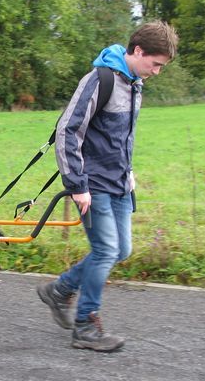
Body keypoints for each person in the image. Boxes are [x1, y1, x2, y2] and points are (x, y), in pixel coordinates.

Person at [37, 20, 179, 352]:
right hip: (92, 184)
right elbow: (67, 132)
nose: (157, 72)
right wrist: (77, 184)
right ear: (139, 51)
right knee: (105, 251)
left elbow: (119, 138)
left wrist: (128, 173)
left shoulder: (135, 84)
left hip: (119, 184)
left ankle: (59, 290)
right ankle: (85, 327)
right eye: (155, 64)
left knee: (122, 250)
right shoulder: (100, 80)